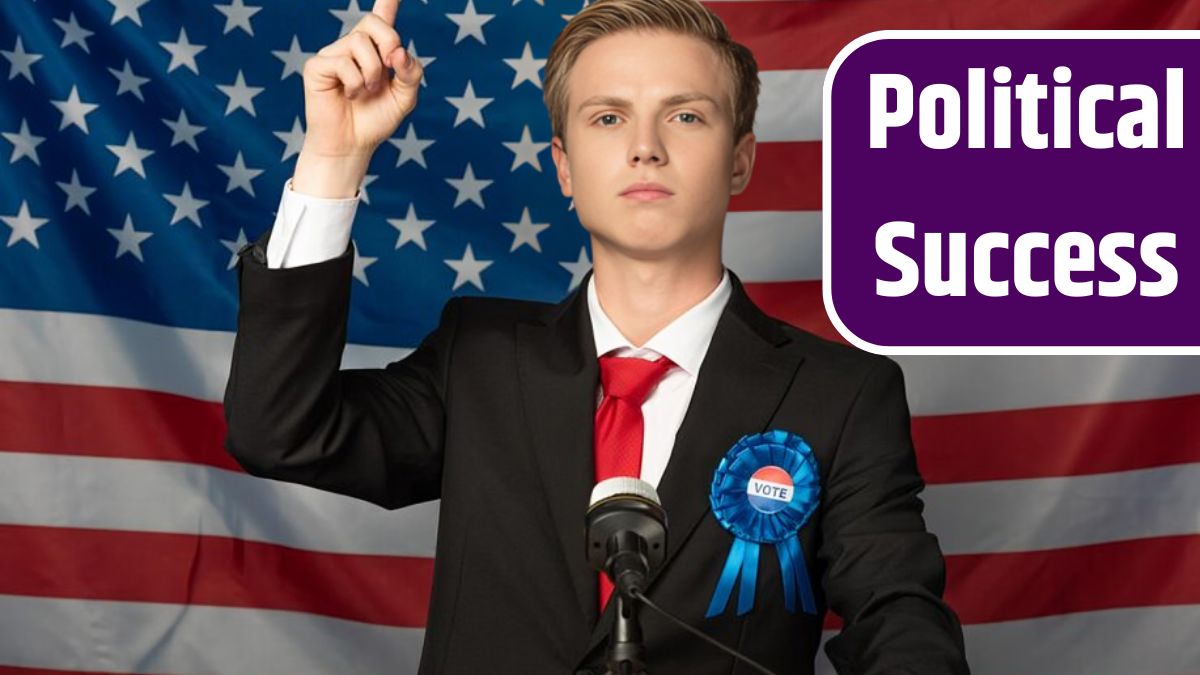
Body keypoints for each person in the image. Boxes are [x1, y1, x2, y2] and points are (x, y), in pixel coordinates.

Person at [223, 0, 971, 672]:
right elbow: (281, 429)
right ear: (564, 168)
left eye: (686, 115)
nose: (645, 147)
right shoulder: (478, 357)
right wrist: (335, 155)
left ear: (740, 161)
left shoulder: (843, 395)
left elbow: (897, 616)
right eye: (608, 117)